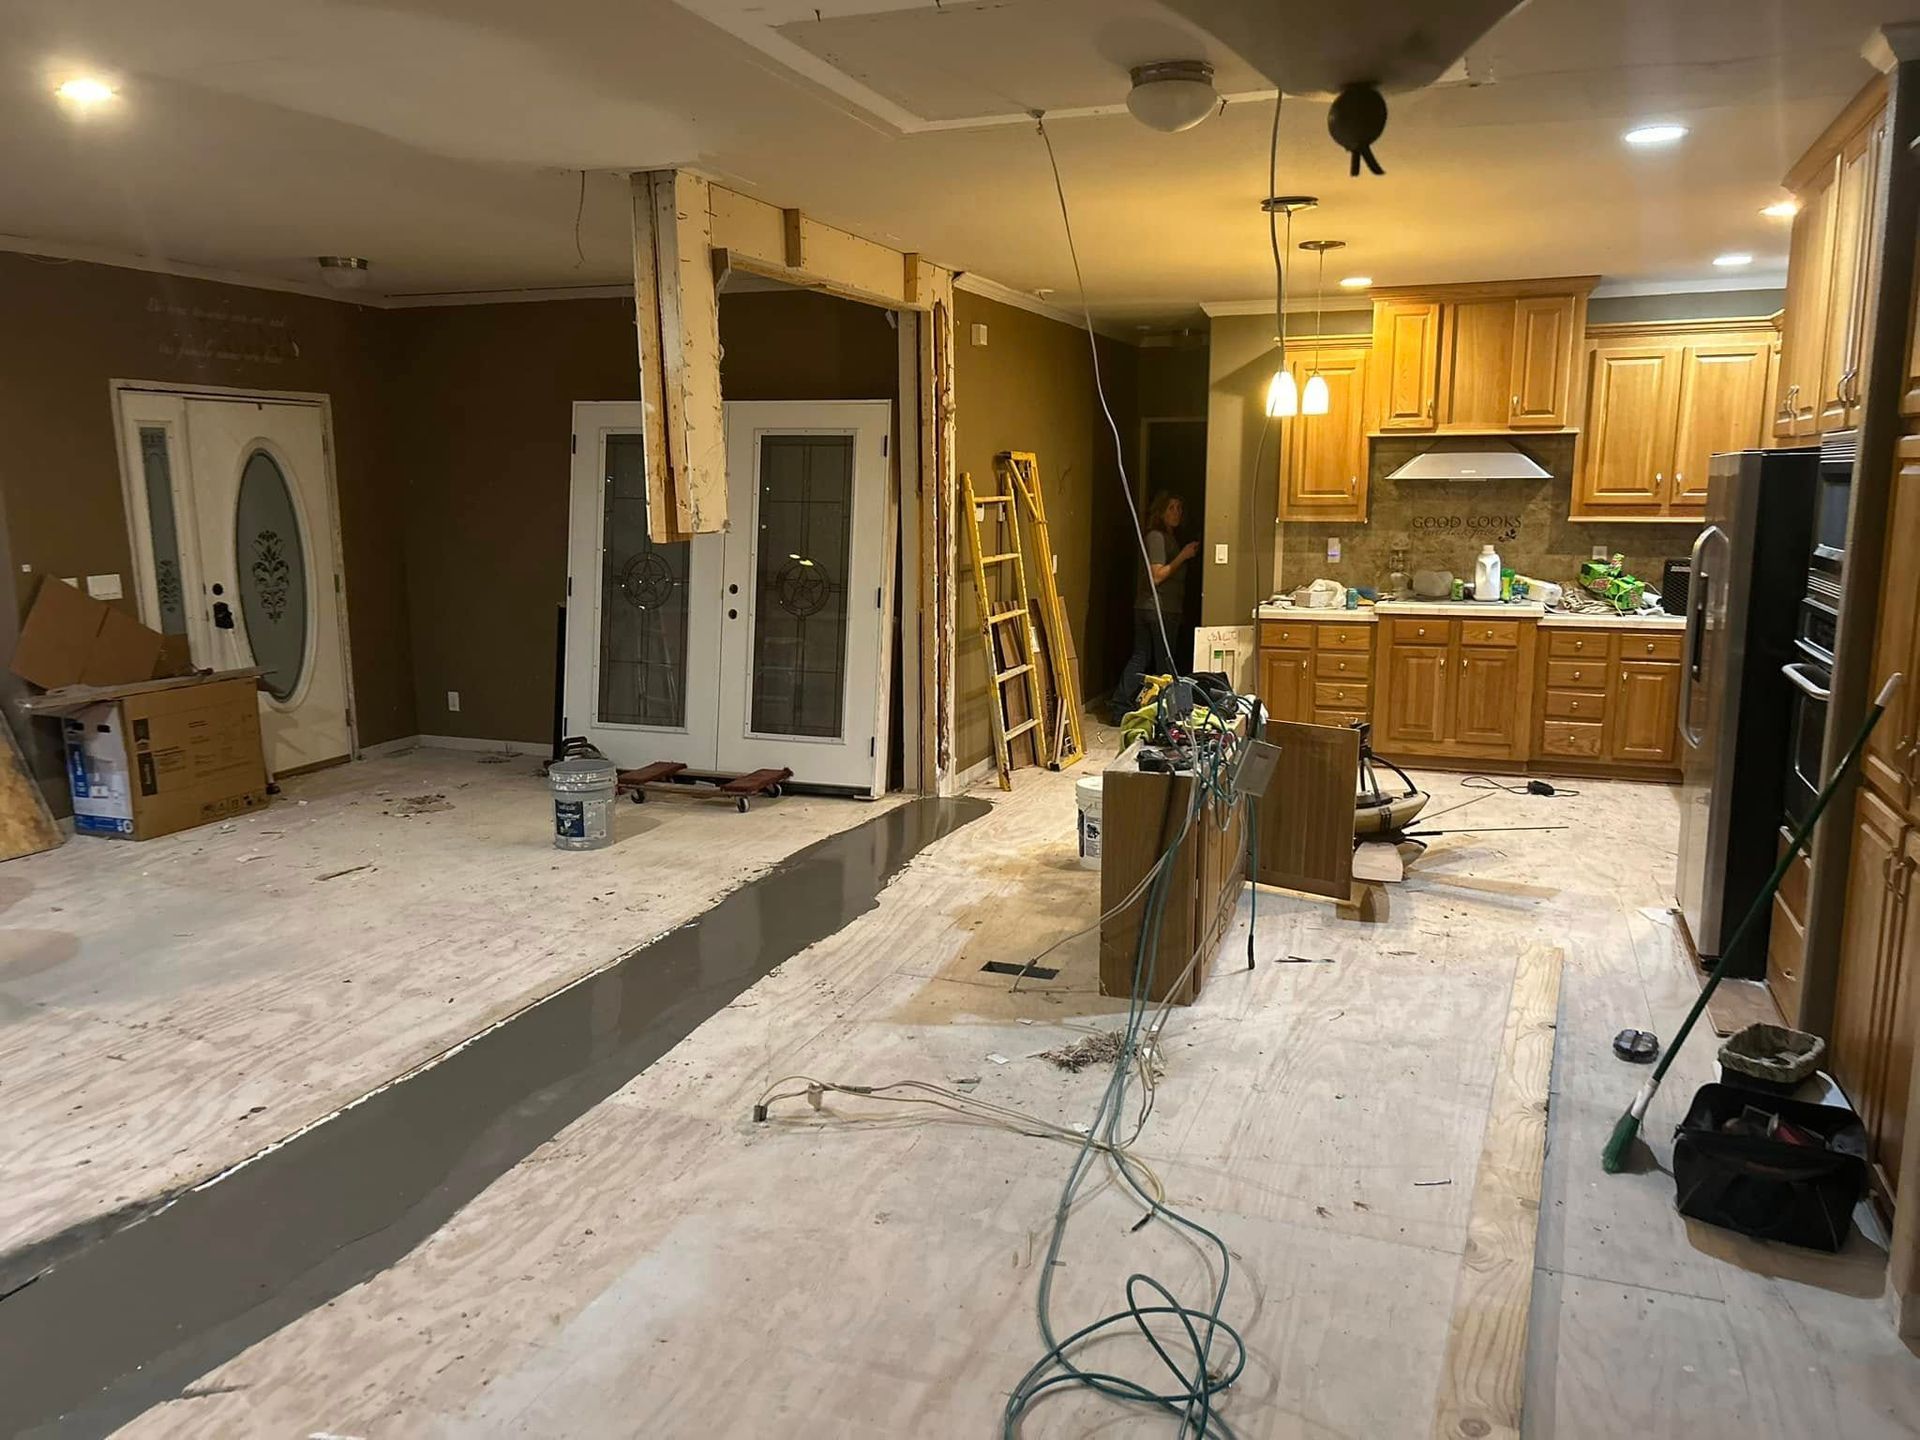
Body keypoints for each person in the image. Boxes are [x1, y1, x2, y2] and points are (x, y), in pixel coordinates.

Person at [1110, 492, 1199, 721]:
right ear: (1160, 512)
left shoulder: (1167, 537)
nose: (1176, 513)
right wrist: (1183, 555)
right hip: (1159, 608)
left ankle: (1122, 706)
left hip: (1154, 607)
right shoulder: (1157, 537)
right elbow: (1156, 576)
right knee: (1162, 663)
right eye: (1171, 508)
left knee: (1142, 656)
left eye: (1179, 508)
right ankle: (1164, 714)